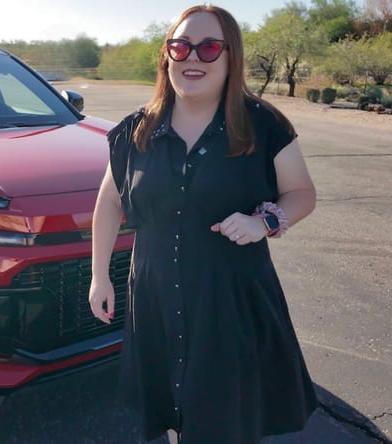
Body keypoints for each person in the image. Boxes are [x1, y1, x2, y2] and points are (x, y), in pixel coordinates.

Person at [88, 4, 318, 444]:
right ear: (166, 56)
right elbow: (109, 201)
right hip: (155, 294)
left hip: (230, 302)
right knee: (173, 410)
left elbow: (301, 194)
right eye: (181, 46)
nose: (193, 57)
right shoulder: (137, 131)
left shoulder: (261, 125)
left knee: (225, 416)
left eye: (210, 47)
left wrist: (264, 221)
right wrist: (100, 278)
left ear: (231, 57)